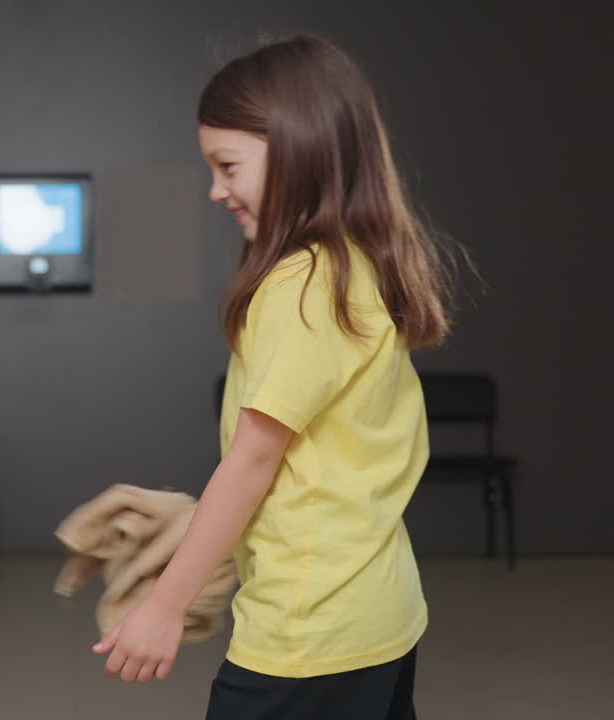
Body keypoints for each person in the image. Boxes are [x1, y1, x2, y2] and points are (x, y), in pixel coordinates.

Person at [93, 35, 458, 719]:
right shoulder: (353, 267)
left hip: (308, 630)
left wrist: (164, 606)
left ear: (299, 147)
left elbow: (254, 459)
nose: (214, 189)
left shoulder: (302, 284)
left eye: (227, 165)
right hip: (379, 612)